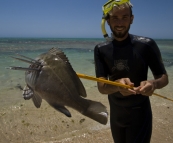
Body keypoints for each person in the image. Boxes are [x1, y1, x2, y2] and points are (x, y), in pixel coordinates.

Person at [94, 0, 169, 143]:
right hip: (116, 114)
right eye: (115, 18)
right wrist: (117, 85)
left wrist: (153, 84)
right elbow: (102, 88)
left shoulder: (146, 45)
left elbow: (163, 77)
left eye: (124, 17)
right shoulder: (101, 49)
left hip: (140, 114)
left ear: (132, 19)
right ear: (108, 21)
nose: (120, 23)